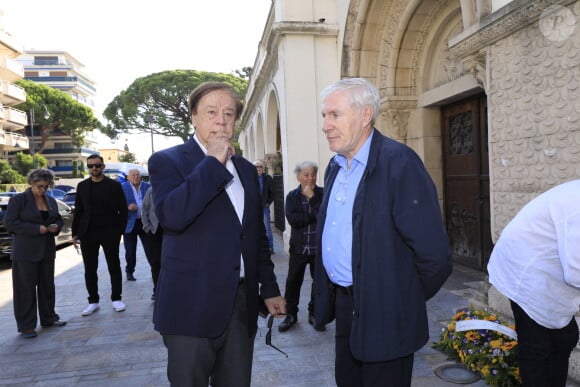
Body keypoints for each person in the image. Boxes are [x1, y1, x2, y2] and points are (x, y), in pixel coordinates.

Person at [313, 77, 452, 386]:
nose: (325, 125)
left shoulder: (400, 164)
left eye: (334, 115)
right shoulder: (335, 166)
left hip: (387, 314)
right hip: (346, 306)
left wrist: (399, 297)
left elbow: (435, 257)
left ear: (365, 116)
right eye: (324, 116)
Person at [148, 81, 286, 386]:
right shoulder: (167, 161)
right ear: (193, 118)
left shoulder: (248, 170)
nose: (221, 120)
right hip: (190, 306)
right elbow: (173, 216)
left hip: (240, 306)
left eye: (228, 113)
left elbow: (254, 237)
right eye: (211, 112)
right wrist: (213, 161)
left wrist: (270, 287)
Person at [487, 179, 580, 387]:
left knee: (564, 338)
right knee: (537, 347)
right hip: (525, 274)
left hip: (546, 274)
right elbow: (576, 271)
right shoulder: (577, 205)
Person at [4, 168, 67, 339]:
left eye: (46, 186)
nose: (43, 190)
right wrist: (35, 229)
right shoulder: (19, 201)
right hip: (25, 252)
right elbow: (10, 223)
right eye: (40, 186)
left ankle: (49, 318)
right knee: (25, 290)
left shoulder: (51, 200)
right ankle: (26, 326)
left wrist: (56, 227)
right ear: (31, 182)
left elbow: (58, 219)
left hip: (46, 250)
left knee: (47, 287)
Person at [72, 154, 128, 316]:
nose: (94, 168)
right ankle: (93, 301)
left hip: (110, 232)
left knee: (113, 265)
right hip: (88, 232)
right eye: (90, 166)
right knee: (90, 268)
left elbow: (123, 210)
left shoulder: (114, 186)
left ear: (103, 166)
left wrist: (120, 230)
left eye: (97, 165)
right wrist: (75, 233)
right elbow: (79, 211)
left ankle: (116, 298)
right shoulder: (82, 186)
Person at [278, 161, 325, 333]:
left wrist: (313, 199)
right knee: (293, 282)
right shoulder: (292, 196)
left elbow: (325, 216)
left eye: (313, 174)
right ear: (298, 177)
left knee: (318, 283)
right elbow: (294, 221)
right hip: (299, 247)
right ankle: (290, 315)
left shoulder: (322, 193)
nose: (310, 178)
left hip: (318, 248)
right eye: (306, 175)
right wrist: (314, 215)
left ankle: (314, 313)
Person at [121, 168, 151, 281]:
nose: (136, 177)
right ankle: (129, 271)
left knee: (150, 249)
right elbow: (117, 205)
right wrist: (127, 207)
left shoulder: (147, 187)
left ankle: (155, 269)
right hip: (130, 224)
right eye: (133, 175)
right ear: (128, 177)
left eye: (137, 175)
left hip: (145, 222)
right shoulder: (123, 188)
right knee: (130, 251)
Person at [141, 186, 162, 300]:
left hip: (171, 233)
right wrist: (147, 228)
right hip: (154, 232)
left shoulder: (173, 188)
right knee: (155, 262)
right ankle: (157, 290)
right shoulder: (151, 191)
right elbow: (144, 210)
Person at [254, 159, 274, 254]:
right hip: (254, 208)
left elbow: (272, 192)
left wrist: (268, 202)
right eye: (256, 167)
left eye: (260, 166)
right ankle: (258, 248)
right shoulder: (251, 178)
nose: (258, 168)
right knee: (255, 227)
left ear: (263, 168)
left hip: (264, 207)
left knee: (267, 228)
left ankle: (270, 247)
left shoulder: (267, 178)